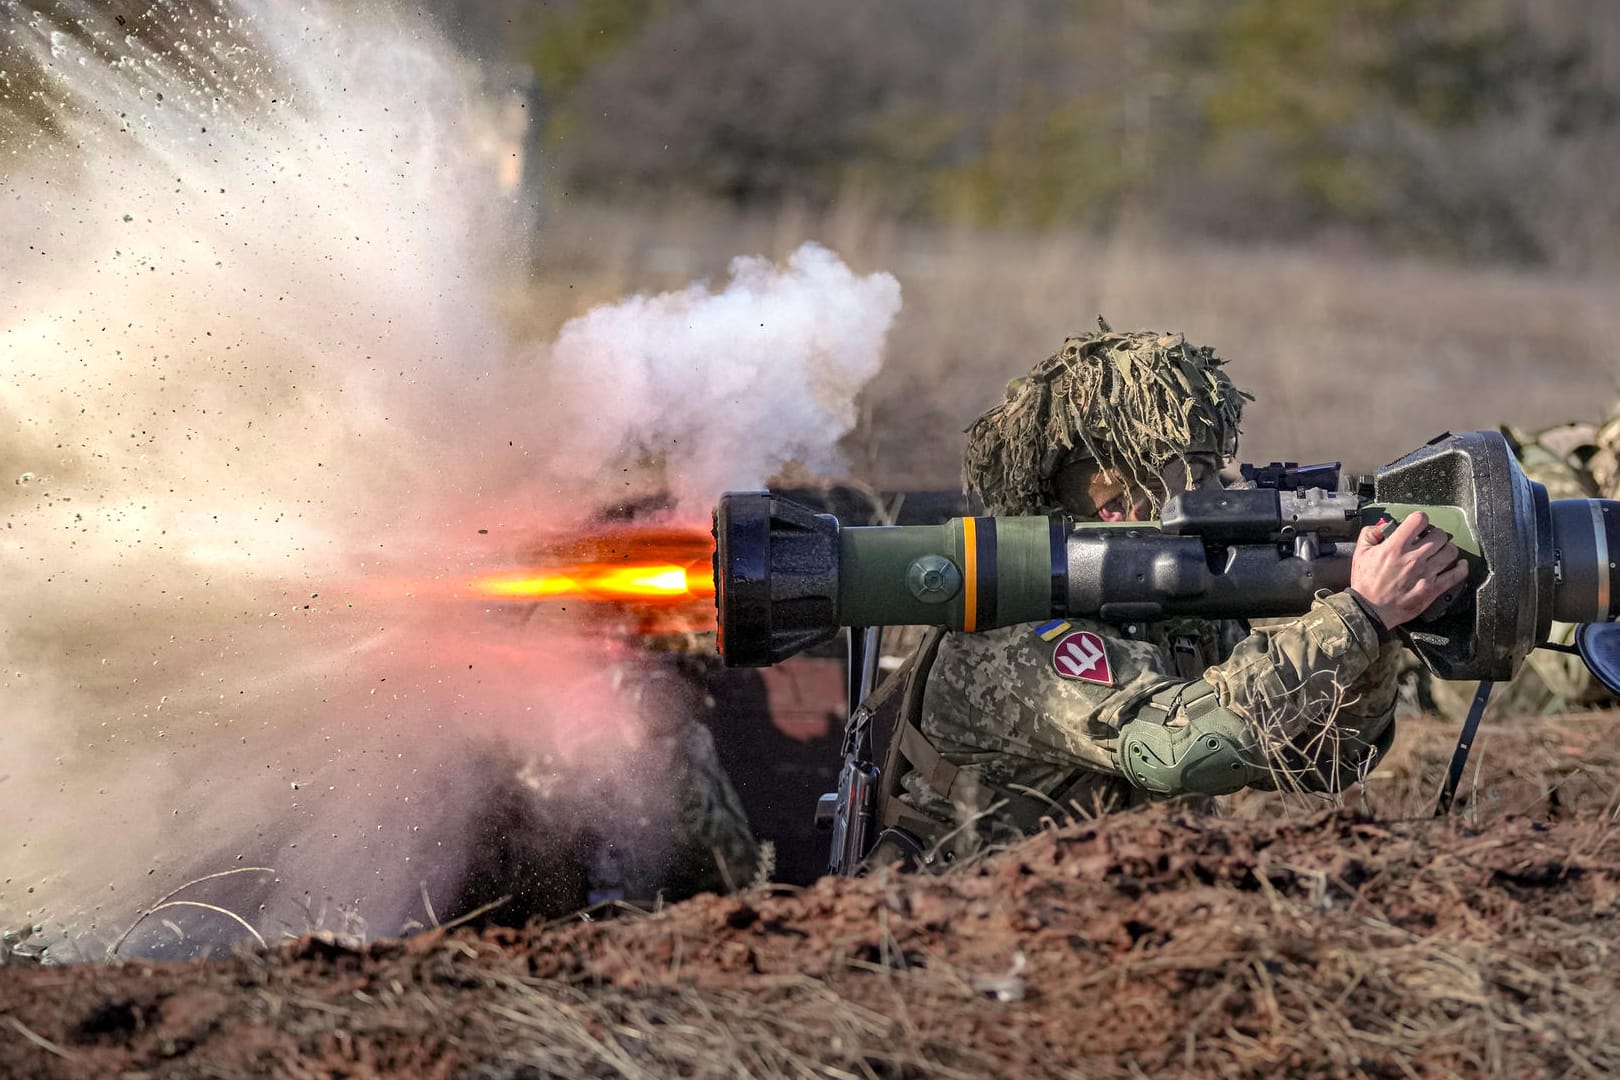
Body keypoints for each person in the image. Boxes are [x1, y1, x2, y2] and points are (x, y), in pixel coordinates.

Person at [866, 321, 1468, 867]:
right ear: (1115, 500)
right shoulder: (1019, 633)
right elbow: (1180, 751)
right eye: (1195, 475)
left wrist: (1380, 632)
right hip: (961, 935)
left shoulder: (1170, 614)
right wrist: (1358, 616)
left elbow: (1322, 761)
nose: (1218, 492)